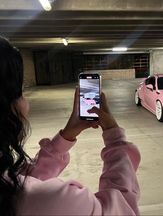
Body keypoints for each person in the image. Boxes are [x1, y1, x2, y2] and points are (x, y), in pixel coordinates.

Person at [0, 37, 141, 216]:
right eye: (21, 92)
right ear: (8, 107)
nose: (26, 103)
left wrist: (66, 137)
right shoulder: (54, 201)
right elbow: (123, 208)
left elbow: (24, 180)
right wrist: (115, 139)